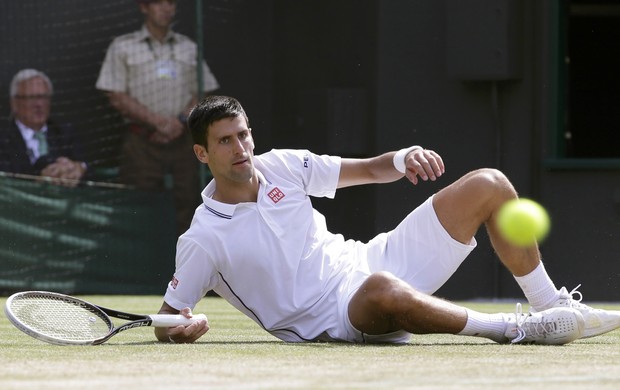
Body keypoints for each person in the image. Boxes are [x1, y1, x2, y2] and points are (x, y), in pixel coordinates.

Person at [154, 95, 620, 345]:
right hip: (332, 317)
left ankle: (551, 306)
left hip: (371, 259)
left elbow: (370, 169)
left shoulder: (283, 165)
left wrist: (403, 157)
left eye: (244, 135)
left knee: (490, 183)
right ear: (202, 153)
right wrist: (181, 330)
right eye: (225, 142)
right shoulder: (202, 238)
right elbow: (167, 319)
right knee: (381, 288)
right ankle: (514, 329)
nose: (241, 149)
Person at [95, 0, 219, 235]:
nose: (166, 8)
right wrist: (157, 122)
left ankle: (183, 268)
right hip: (141, 142)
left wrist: (180, 121)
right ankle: (140, 267)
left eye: (171, 3)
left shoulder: (188, 47)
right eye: (158, 3)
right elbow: (115, 95)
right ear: (144, 7)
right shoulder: (123, 47)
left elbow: (203, 90)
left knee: (188, 205)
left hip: (183, 141)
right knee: (138, 205)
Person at [0, 69, 88, 185]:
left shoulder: (65, 132)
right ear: (14, 103)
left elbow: (91, 169)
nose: (39, 104)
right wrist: (39, 181)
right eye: (31, 98)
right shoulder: (3, 138)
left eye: (43, 97)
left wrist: (79, 168)